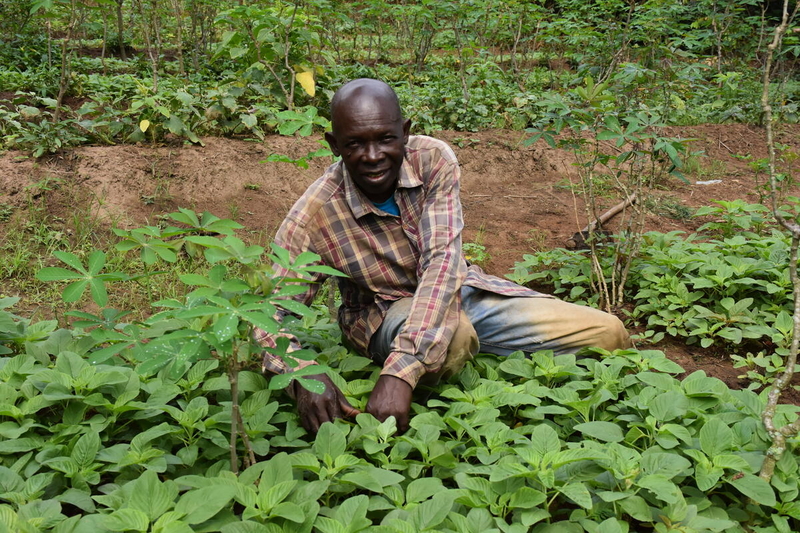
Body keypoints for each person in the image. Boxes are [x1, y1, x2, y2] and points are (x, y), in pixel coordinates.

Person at [256, 78, 630, 434]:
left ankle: (461, 362)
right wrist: (300, 373)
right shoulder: (315, 214)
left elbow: (442, 263)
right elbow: (267, 313)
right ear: (334, 145)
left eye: (386, 139)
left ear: (405, 132)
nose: (372, 156)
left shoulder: (432, 160)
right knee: (456, 338)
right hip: (385, 311)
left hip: (458, 290)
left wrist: (398, 374)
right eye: (355, 144)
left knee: (607, 333)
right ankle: (456, 381)